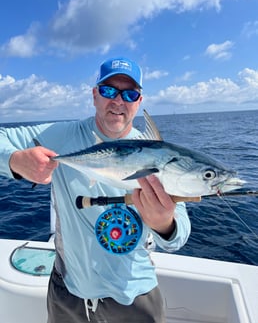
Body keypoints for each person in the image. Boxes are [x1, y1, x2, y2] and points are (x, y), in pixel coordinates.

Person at [0, 57, 191, 323]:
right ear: (94, 95)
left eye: (130, 93)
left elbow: (179, 234)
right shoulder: (63, 135)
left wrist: (164, 224)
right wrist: (14, 161)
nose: (118, 101)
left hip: (133, 296)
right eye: (108, 90)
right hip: (67, 294)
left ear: (139, 101)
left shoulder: (158, 153)